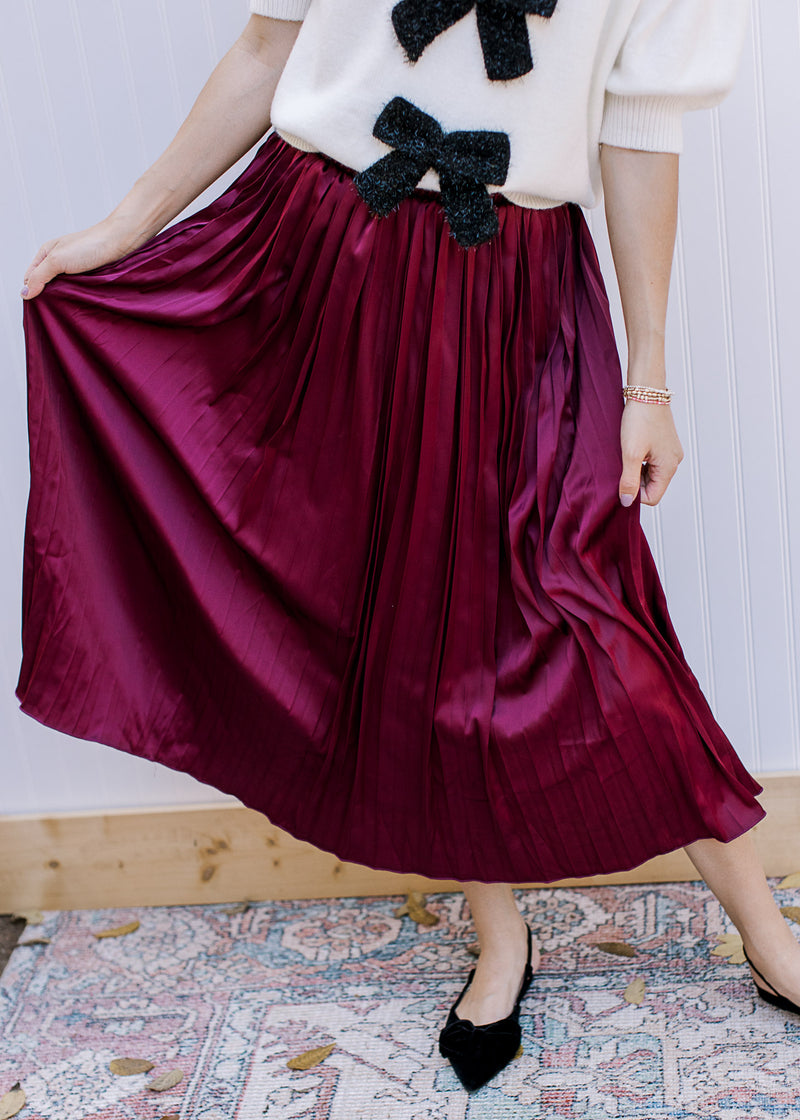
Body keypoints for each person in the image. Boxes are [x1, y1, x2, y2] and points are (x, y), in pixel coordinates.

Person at [17, 0, 800, 1093]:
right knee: (397, 612)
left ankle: (763, 929)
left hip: (510, 286)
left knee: (586, 606)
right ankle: (499, 934)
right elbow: (267, 44)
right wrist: (126, 225)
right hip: (315, 248)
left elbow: (639, 133)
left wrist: (648, 380)